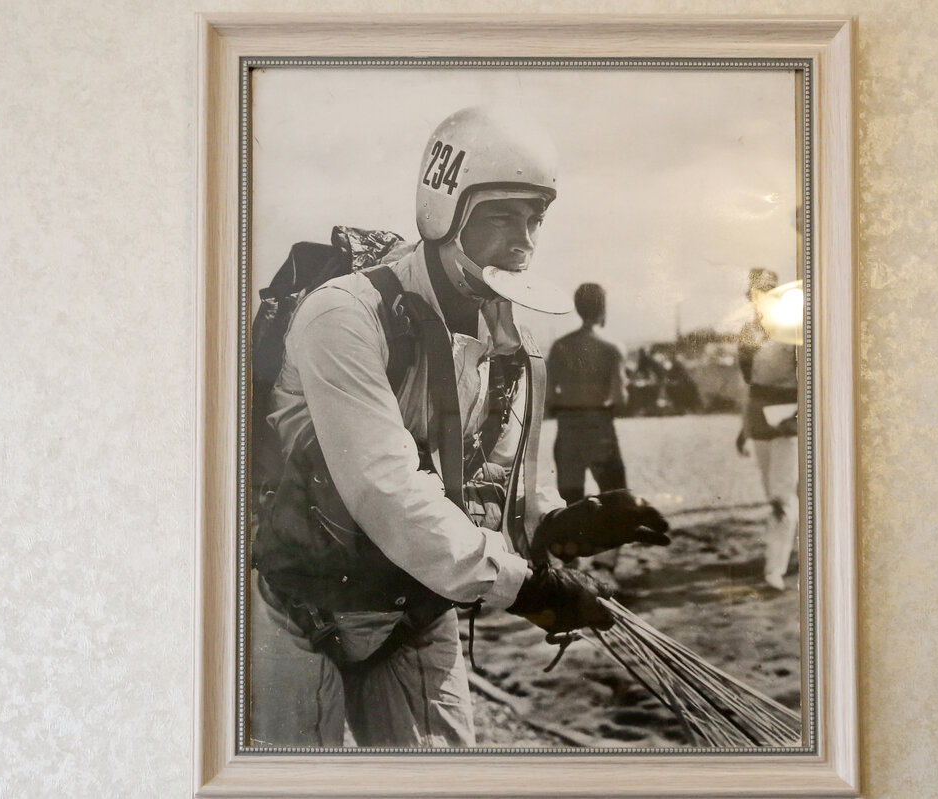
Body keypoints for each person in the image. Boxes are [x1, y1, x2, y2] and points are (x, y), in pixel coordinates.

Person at [248, 106, 670, 748]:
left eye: (534, 219)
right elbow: (385, 488)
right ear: (443, 208)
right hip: (303, 610)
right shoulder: (344, 316)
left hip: (415, 610)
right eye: (501, 216)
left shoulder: (507, 334)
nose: (524, 242)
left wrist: (557, 522)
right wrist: (526, 589)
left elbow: (492, 473)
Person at [546, 284, 630, 575]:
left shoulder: (560, 346)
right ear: (603, 308)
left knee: (571, 499)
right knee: (615, 495)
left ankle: (572, 565)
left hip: (568, 429)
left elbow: (548, 396)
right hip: (599, 428)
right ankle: (606, 565)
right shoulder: (611, 348)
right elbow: (620, 398)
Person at [735, 268, 799, 591]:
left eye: (769, 293)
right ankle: (791, 552)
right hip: (760, 419)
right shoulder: (748, 332)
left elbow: (814, 379)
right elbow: (750, 385)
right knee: (776, 494)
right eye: (756, 294)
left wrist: (799, 416)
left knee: (781, 497)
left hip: (789, 420)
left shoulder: (796, 330)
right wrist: (744, 427)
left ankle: (774, 569)